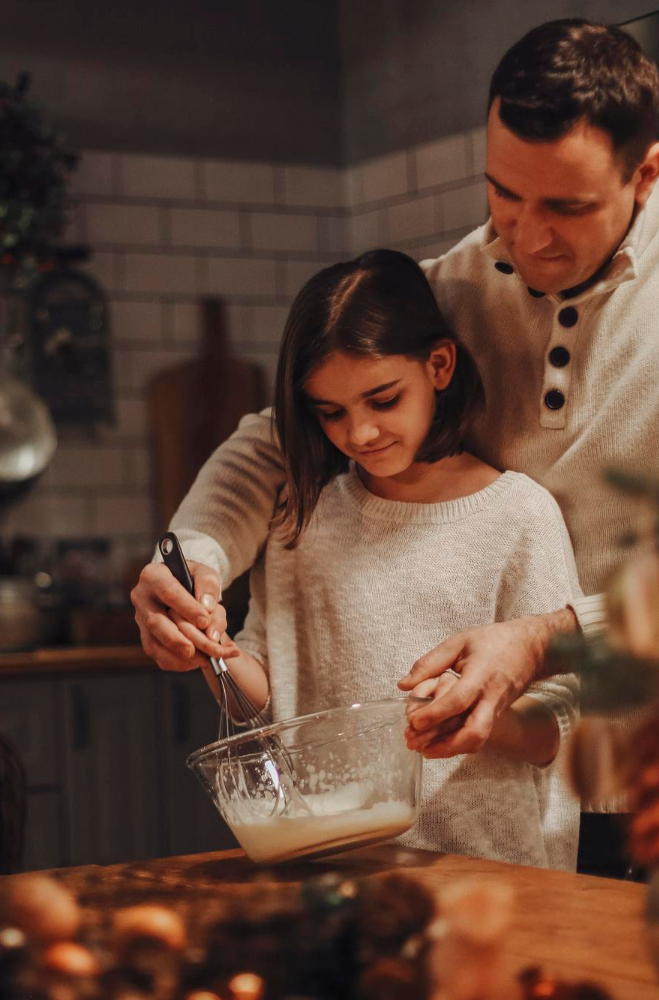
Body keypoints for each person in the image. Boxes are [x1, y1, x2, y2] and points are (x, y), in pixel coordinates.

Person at [132, 18, 659, 874]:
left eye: (566, 206)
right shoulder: (454, 291)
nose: (524, 234)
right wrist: (195, 559)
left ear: (646, 173)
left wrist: (548, 637)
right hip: (518, 803)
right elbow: (275, 443)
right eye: (503, 192)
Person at [182, 249, 581, 868]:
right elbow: (259, 704)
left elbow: (561, 728)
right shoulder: (301, 517)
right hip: (338, 869)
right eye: (332, 412)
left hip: (489, 873)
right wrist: (216, 650)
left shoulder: (517, 518)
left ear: (439, 366)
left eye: (384, 399)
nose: (360, 433)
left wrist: (476, 710)